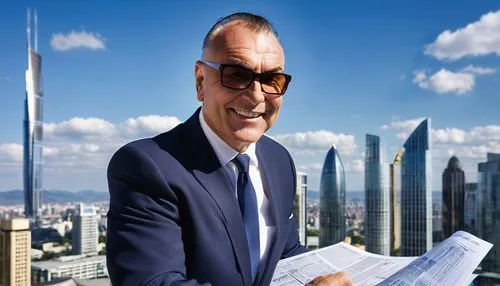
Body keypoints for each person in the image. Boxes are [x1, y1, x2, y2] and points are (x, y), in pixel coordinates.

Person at [106, 12, 352, 286]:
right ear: (200, 81)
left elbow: (285, 254)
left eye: (272, 80)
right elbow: (154, 282)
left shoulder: (279, 159)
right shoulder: (146, 166)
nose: (257, 96)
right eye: (236, 75)